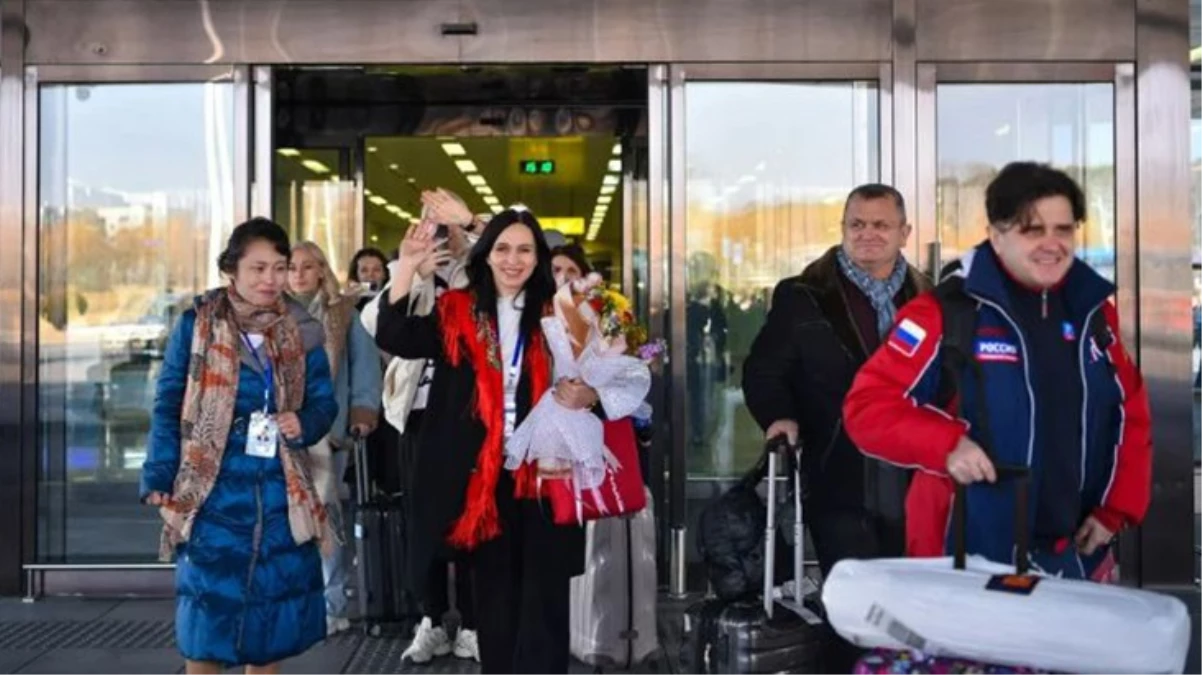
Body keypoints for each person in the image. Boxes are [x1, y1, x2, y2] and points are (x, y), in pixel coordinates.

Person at [843, 162, 1152, 578]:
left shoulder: (1092, 313)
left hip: (1075, 554)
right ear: (997, 235)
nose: (1050, 244)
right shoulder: (946, 312)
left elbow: (1129, 411)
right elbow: (868, 408)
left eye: (1063, 230)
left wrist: (1114, 509)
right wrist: (947, 444)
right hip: (964, 551)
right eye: (1031, 230)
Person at [374, 207, 595, 674]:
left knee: (546, 600)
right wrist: (407, 267)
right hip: (483, 479)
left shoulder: (558, 311)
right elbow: (396, 334)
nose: (513, 260)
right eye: (502, 249)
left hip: (546, 473)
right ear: (486, 255)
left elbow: (602, 376)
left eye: (524, 250)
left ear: (539, 259)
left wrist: (588, 391)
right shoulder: (458, 310)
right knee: (495, 603)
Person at [140, 217, 339, 674]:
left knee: (269, 637)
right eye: (258, 268)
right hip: (210, 493)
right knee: (205, 635)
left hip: (279, 493)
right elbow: (170, 403)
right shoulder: (197, 324)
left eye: (280, 268)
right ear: (232, 269)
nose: (270, 280)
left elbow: (324, 404)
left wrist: (303, 421)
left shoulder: (302, 328)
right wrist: (158, 474)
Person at [743, 183, 929, 578]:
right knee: (852, 599)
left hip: (916, 471)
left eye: (881, 224)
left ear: (904, 233)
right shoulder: (804, 295)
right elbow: (764, 371)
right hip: (837, 467)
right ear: (843, 228)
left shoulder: (931, 298)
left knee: (912, 596)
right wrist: (779, 416)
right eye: (857, 224)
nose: (868, 234)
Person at [361, 188, 482, 663]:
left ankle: (472, 623)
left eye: (447, 225)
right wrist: (411, 275)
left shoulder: (480, 275)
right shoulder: (410, 274)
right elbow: (376, 326)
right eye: (430, 225)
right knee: (422, 522)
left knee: (473, 521)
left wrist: (470, 225)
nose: (440, 234)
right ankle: (430, 619)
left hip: (471, 417)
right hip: (414, 415)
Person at [286, 241, 382, 636]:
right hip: (282, 429)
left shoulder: (342, 313)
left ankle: (333, 601)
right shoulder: (270, 312)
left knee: (325, 514)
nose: (299, 274)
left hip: (328, 429)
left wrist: (362, 413)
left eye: (309, 266)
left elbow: (365, 367)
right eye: (292, 267)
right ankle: (295, 601)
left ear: (322, 270)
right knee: (287, 517)